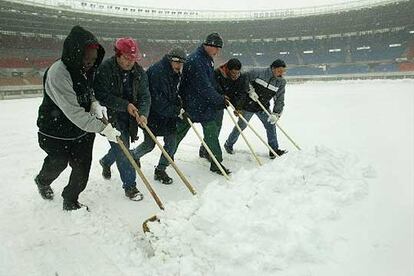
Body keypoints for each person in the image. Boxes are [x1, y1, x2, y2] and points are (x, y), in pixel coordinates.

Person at [34, 25, 121, 211]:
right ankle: (42, 180)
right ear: (75, 53)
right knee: (58, 163)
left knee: (82, 168)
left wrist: (94, 103)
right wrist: (103, 128)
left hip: (81, 131)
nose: (90, 63)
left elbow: (87, 94)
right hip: (55, 131)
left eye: (93, 59)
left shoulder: (86, 69)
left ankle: (71, 200)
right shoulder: (59, 73)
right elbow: (73, 112)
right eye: (86, 58)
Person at [94, 37, 151, 200]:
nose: (130, 62)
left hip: (131, 117)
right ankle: (130, 187)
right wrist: (124, 105)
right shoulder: (105, 69)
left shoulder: (139, 72)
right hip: (111, 117)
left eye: (133, 59)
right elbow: (101, 95)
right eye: (126, 58)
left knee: (121, 147)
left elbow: (145, 96)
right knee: (124, 151)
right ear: (118, 54)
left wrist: (143, 113)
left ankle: (105, 161)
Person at [174, 33, 231, 175]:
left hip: (203, 105)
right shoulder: (196, 60)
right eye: (216, 48)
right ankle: (166, 156)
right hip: (192, 104)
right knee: (178, 133)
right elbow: (203, 87)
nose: (218, 52)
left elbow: (210, 83)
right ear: (208, 45)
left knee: (211, 132)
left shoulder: (207, 59)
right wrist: (218, 100)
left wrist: (219, 95)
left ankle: (216, 163)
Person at [131, 48, 186, 185]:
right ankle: (133, 155)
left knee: (171, 144)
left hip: (167, 116)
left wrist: (179, 103)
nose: (179, 65)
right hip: (152, 115)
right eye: (176, 62)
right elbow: (157, 101)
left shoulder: (175, 72)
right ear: (169, 59)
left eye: (181, 62)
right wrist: (176, 111)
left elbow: (172, 93)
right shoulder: (157, 72)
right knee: (149, 144)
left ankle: (161, 170)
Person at [224, 59, 288, 159]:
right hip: (248, 105)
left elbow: (280, 99)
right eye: (279, 70)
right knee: (241, 126)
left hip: (263, 107)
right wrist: (250, 90)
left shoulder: (281, 82)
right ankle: (228, 144)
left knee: (271, 125)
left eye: (283, 71)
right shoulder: (258, 72)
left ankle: (273, 150)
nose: (282, 73)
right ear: (273, 68)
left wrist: (276, 114)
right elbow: (244, 78)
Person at [198, 58, 249, 160]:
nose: (235, 75)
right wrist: (221, 97)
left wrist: (238, 107)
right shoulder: (217, 74)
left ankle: (205, 148)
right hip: (213, 104)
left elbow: (240, 93)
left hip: (224, 102)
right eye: (233, 73)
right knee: (215, 127)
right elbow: (212, 89)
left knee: (216, 128)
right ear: (227, 70)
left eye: (237, 73)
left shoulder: (241, 78)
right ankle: (207, 151)